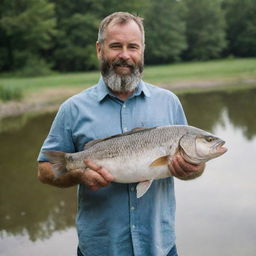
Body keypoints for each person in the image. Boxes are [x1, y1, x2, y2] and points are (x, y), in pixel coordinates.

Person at [37, 12, 205, 256]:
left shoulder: (169, 102)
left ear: (142, 50)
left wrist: (192, 169)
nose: (125, 55)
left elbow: (195, 167)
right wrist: (79, 176)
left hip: (159, 247)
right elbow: (44, 170)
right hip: (100, 249)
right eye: (116, 46)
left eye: (132, 47)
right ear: (99, 49)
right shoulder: (72, 109)